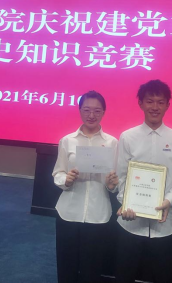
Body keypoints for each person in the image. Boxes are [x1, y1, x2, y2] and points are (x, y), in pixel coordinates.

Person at [115, 80, 172, 283]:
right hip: (130, 224)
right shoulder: (127, 137)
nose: (155, 107)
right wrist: (126, 203)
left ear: (168, 105)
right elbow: (121, 177)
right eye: (150, 101)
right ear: (140, 103)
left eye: (160, 102)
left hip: (165, 226)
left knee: (163, 277)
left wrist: (168, 200)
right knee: (124, 276)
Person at [52, 90, 119, 283]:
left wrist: (112, 184)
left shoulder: (112, 143)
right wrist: (66, 179)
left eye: (97, 111)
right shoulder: (68, 140)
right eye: (87, 110)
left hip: (98, 213)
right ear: (80, 110)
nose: (91, 115)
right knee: (66, 266)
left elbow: (116, 180)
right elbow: (58, 172)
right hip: (69, 211)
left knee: (92, 268)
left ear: (104, 112)